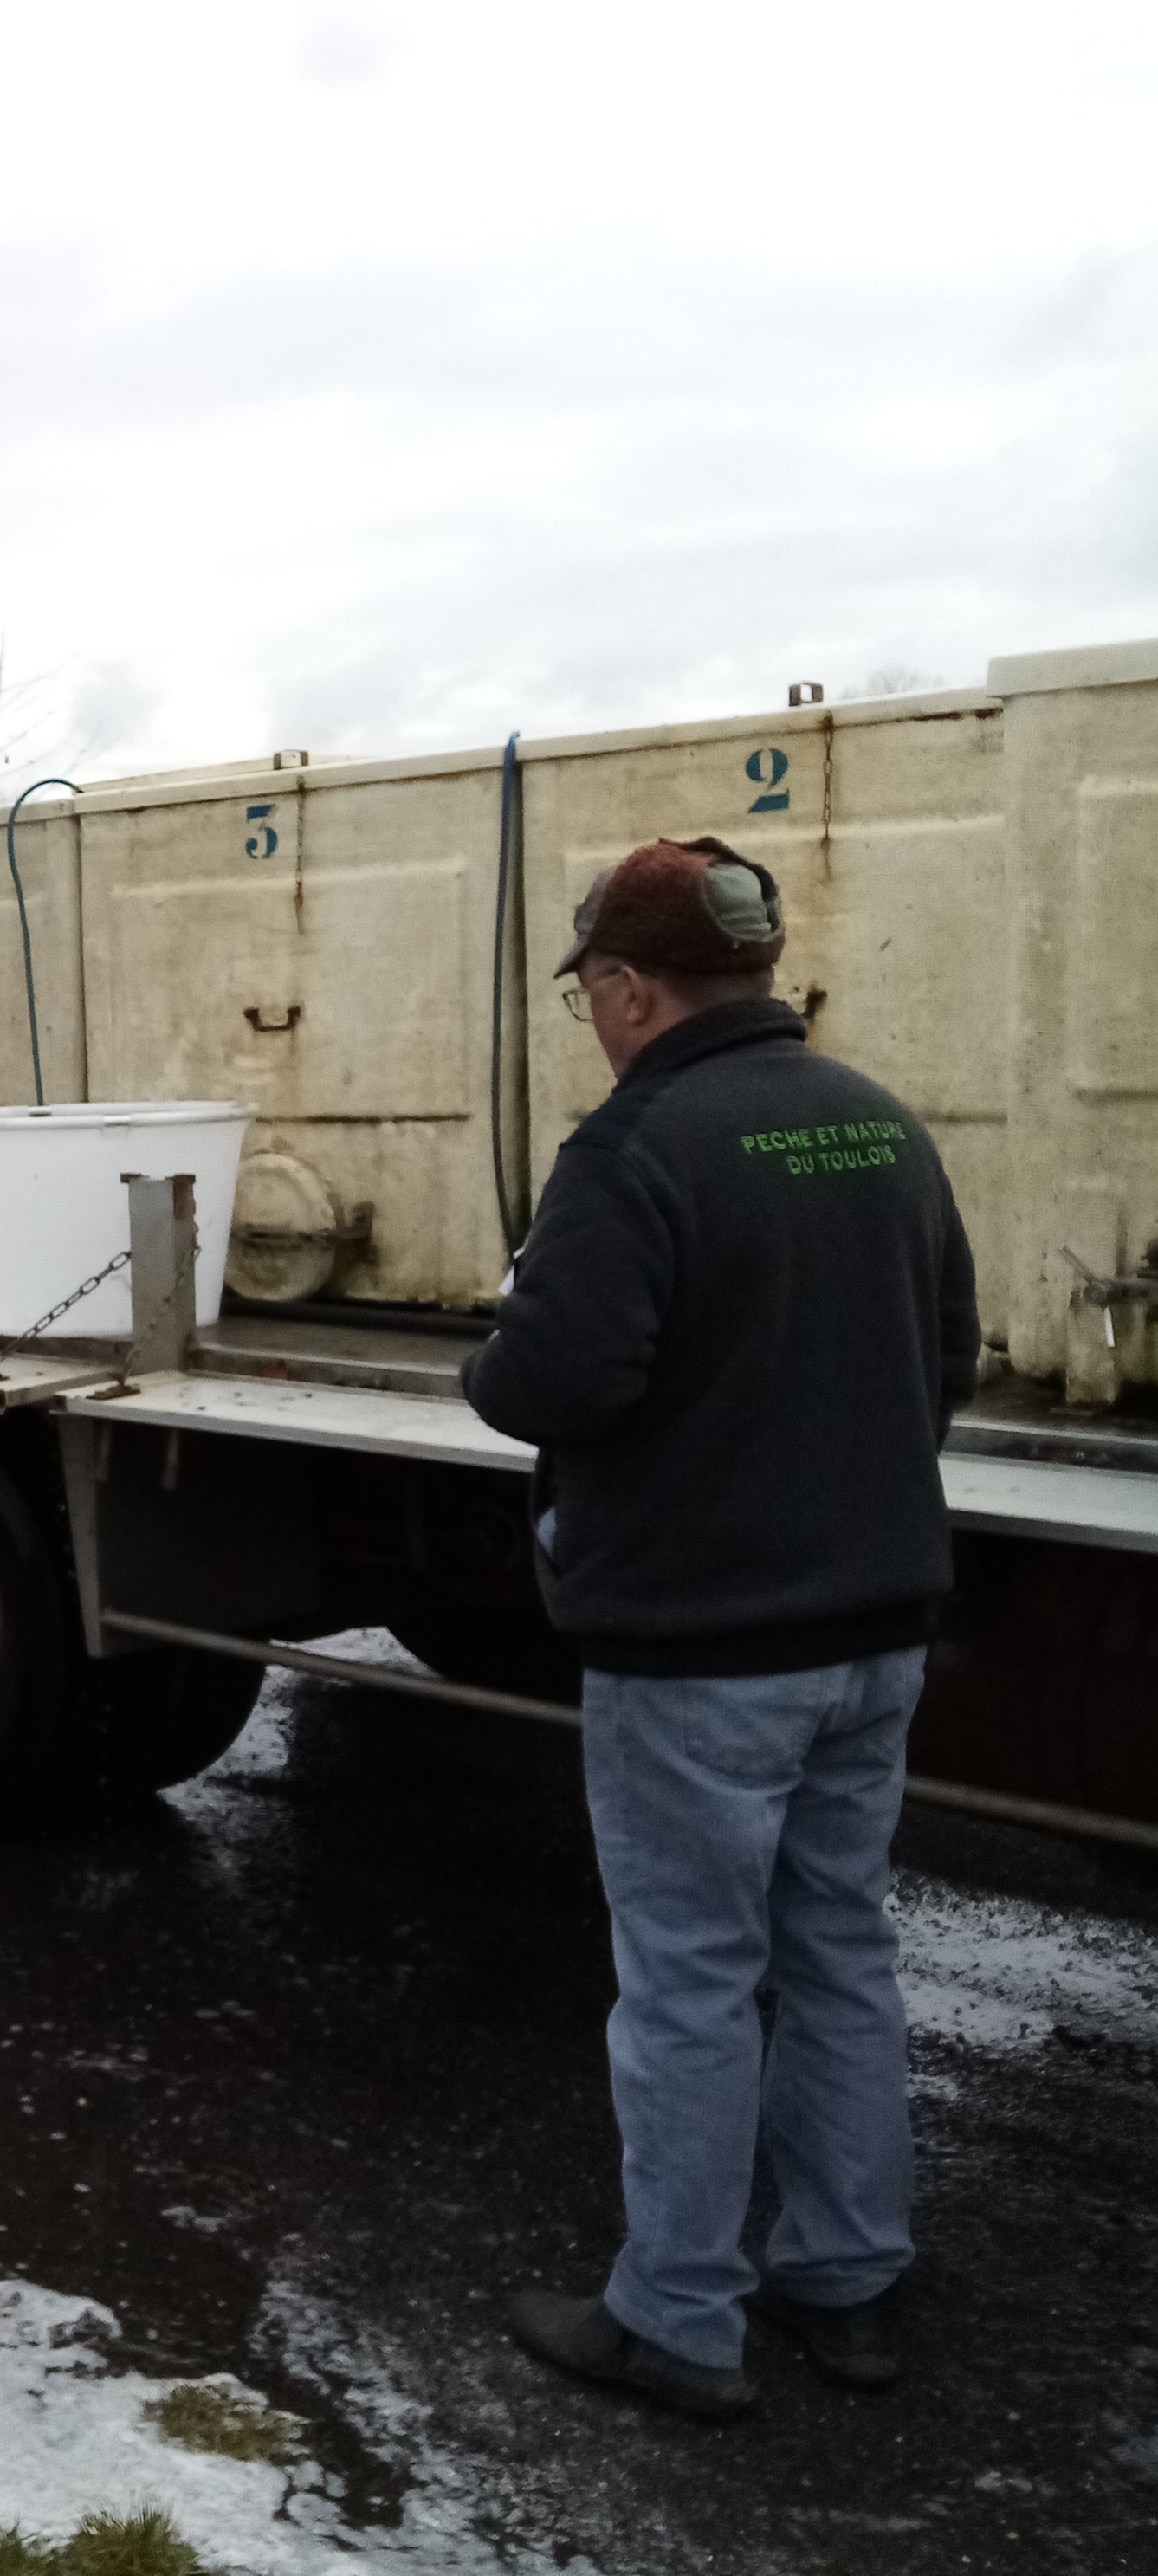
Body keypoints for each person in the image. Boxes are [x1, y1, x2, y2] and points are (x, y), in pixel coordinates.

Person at [468, 839, 980, 2423]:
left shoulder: (638, 1146)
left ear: (631, 991)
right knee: (840, 1953)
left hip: (700, 1652)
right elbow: (949, 1352)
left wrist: (495, 1353)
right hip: (874, 1632)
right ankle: (852, 2280)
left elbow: (550, 1382)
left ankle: (680, 2320)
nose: (595, 1021)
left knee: (692, 1981)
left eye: (592, 995)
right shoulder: (880, 1124)